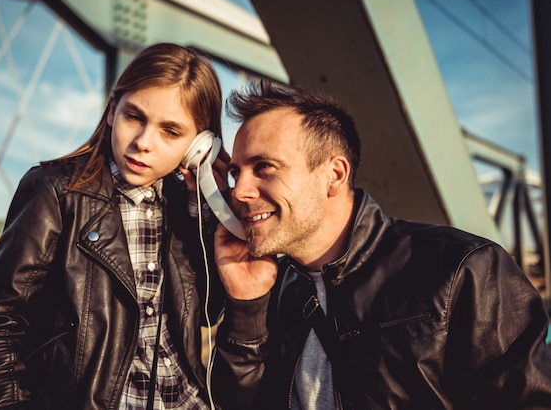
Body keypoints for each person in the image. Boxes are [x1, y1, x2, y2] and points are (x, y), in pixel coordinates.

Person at [211, 80, 551, 409]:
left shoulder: (462, 268)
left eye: (264, 167)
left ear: (335, 174)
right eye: (236, 172)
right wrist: (247, 306)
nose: (240, 191)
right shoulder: (272, 287)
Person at [0, 42, 227, 410]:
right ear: (112, 111)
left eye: (170, 131)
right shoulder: (56, 191)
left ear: (199, 147)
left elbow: (210, 314)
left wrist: (210, 211)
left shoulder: (186, 208)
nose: (143, 143)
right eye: (134, 116)